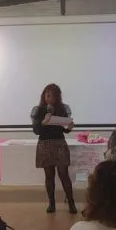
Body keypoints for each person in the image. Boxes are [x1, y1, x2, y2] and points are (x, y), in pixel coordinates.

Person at [31, 83, 77, 214]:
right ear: (44, 96)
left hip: (59, 143)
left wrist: (69, 127)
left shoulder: (63, 109)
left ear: (57, 97)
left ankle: (71, 202)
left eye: (53, 96)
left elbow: (65, 129)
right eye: (47, 95)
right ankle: (51, 203)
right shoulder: (38, 110)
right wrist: (43, 123)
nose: (50, 98)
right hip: (45, 144)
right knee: (49, 175)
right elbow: (36, 131)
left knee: (63, 173)